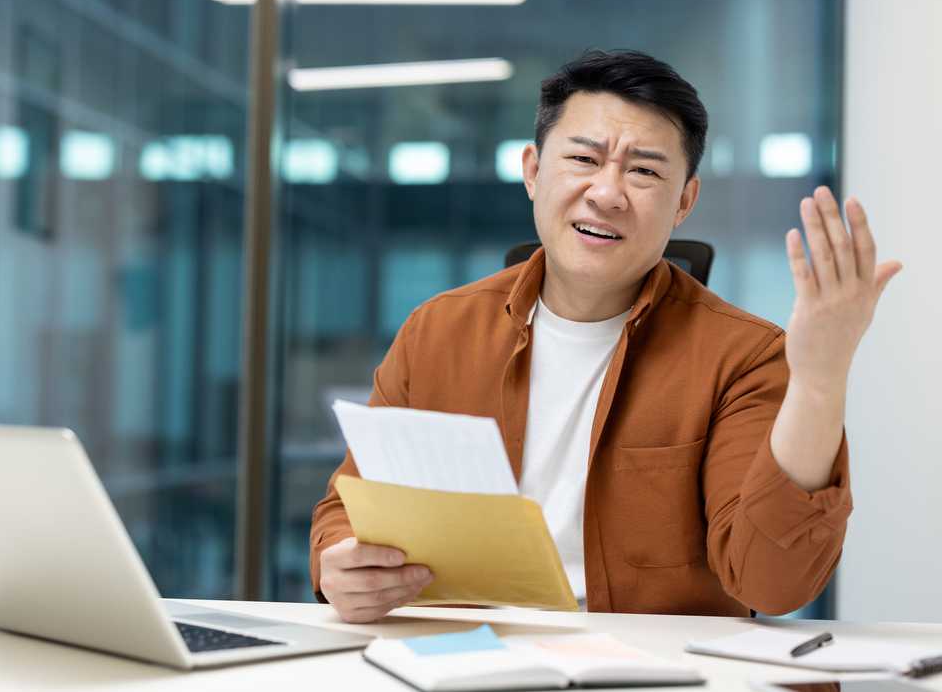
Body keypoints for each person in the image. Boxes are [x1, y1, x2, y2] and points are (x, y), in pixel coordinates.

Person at [309, 49, 901, 623]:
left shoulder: (742, 356)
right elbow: (349, 509)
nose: (607, 193)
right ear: (533, 173)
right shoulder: (437, 330)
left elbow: (774, 583)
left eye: (644, 170)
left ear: (684, 202)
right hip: (470, 658)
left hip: (654, 674)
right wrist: (339, 566)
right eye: (584, 160)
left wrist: (820, 382)